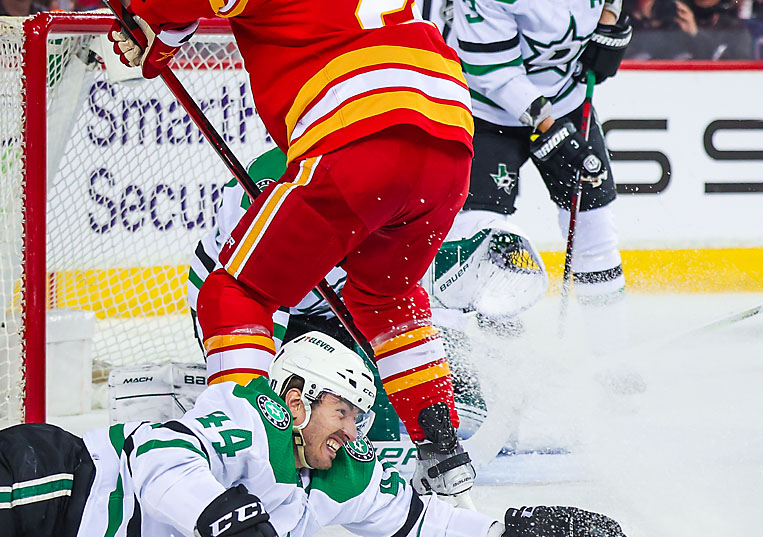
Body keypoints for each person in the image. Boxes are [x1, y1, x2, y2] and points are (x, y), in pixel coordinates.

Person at [110, 0, 477, 501]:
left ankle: (248, 454)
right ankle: (443, 450)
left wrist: (152, 17)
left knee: (237, 293)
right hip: (450, 140)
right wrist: (164, 35)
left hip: (360, 128)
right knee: (387, 298)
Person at [0, 332, 630, 537]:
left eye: (359, 417)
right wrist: (223, 518)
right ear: (297, 399)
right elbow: (158, 450)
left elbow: (419, 527)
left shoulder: (343, 472)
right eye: (343, 412)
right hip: (55, 484)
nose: (352, 432)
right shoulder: (252, 416)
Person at [187, 146, 549, 451]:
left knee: (377, 378)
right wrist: (265, 388)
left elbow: (399, 289)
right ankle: (230, 426)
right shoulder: (277, 178)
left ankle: (382, 446)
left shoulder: (386, 172)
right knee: (279, 412)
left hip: (328, 305)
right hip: (240, 300)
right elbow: (253, 296)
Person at [448, 0, 643, 392]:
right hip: (484, 110)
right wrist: (548, 126)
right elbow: (493, 71)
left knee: (594, 229)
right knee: (473, 235)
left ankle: (613, 360)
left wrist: (609, 22)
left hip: (567, 100)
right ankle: (452, 366)